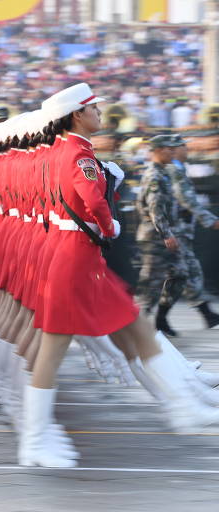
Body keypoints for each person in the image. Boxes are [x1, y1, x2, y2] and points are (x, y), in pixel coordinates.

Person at [18, 83, 219, 468]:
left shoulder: (66, 151)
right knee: (53, 349)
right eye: (94, 108)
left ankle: (181, 408)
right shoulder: (78, 154)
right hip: (76, 258)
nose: (100, 113)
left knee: (137, 330)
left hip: (77, 256)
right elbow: (92, 201)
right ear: (77, 114)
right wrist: (110, 227)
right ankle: (33, 440)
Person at [135, 135, 187, 336]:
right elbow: (155, 208)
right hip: (155, 237)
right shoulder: (154, 175)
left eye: (174, 149)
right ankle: (135, 328)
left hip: (165, 234)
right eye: (169, 149)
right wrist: (166, 234)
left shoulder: (165, 173)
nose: (173, 153)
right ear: (158, 150)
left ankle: (161, 319)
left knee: (180, 275)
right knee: (150, 285)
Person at [166, 134, 219, 328]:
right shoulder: (173, 170)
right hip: (174, 230)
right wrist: (211, 220)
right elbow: (186, 200)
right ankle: (151, 316)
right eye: (183, 147)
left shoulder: (179, 169)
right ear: (173, 149)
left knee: (183, 272)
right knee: (184, 271)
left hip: (181, 229)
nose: (187, 150)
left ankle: (160, 318)